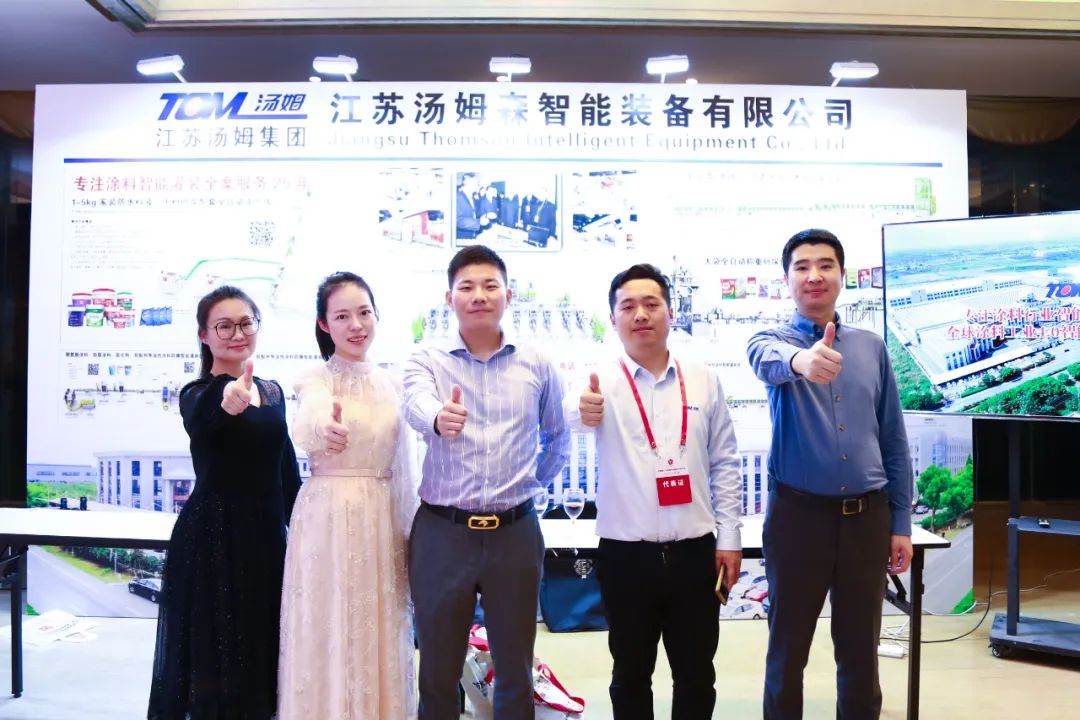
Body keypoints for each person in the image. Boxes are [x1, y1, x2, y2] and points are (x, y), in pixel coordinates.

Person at [746, 229, 914, 720]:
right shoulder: (771, 341)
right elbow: (767, 361)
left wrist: (900, 522)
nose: (814, 275)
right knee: (787, 650)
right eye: (801, 266)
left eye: (825, 265)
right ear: (787, 280)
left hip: (867, 519)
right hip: (798, 519)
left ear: (842, 275)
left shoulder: (871, 348)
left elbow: (893, 439)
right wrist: (803, 360)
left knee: (860, 652)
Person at [565, 263, 743, 720]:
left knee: (697, 677)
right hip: (626, 557)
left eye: (651, 304)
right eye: (628, 306)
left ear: (670, 312)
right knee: (629, 676)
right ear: (613, 319)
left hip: (695, 555)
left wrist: (729, 539)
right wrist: (581, 410)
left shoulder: (703, 378)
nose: (640, 314)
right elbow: (569, 414)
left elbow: (725, 462)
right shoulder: (597, 380)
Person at [403, 244, 570, 720]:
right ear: (449, 298)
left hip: (515, 534)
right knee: (437, 671)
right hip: (443, 533)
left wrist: (524, 487)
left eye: (490, 285)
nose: (479, 295)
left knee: (515, 669)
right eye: (467, 287)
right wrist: (438, 418)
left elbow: (557, 437)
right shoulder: (427, 359)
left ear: (508, 295)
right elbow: (414, 403)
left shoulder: (537, 363)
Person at [148, 285, 301, 720]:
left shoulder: (272, 392)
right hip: (213, 542)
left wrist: (305, 527)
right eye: (224, 326)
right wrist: (228, 400)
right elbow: (206, 419)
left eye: (245, 323)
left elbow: (285, 469)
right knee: (215, 662)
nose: (237, 334)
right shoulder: (196, 393)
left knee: (261, 651)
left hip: (267, 541)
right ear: (204, 335)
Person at [278, 272, 418, 719]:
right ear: (324, 324)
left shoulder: (395, 384)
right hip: (328, 517)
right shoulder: (314, 378)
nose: (356, 325)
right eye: (342, 316)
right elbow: (310, 417)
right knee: (329, 624)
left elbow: (406, 465)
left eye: (364, 313)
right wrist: (325, 428)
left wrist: (411, 529)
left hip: (382, 516)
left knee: (379, 625)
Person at [455, 174, 491, 241]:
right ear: (467, 183)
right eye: (475, 183)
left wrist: (485, 216)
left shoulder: (472, 198)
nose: (477, 185)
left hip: (472, 235)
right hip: (462, 238)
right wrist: (478, 222)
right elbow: (457, 220)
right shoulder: (457, 197)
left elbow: (473, 215)